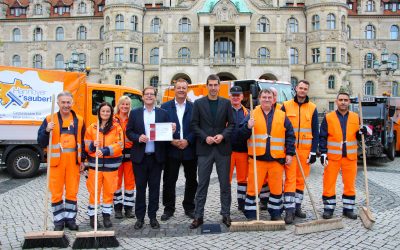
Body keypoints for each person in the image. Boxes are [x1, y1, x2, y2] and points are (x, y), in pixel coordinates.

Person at [241, 88, 295, 221]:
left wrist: (289, 153)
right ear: (260, 99)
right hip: (257, 159)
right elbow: (240, 135)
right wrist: (247, 127)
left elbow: (290, 136)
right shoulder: (251, 114)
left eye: (269, 97)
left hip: (276, 159)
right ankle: (251, 214)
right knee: (253, 188)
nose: (266, 99)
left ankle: (276, 213)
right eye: (264, 97)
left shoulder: (282, 115)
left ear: (273, 99)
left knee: (276, 189)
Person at [126, 86, 175, 229]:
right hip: (140, 158)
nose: (149, 96)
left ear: (155, 97)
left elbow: (167, 135)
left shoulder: (162, 113)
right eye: (146, 94)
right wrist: (137, 137)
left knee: (154, 189)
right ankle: (140, 218)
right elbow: (129, 132)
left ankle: (153, 217)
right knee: (140, 189)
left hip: (156, 158)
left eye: (151, 94)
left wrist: (171, 129)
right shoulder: (134, 114)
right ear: (142, 97)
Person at [190, 74, 235, 229]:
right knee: (202, 184)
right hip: (205, 149)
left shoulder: (226, 103)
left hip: (222, 149)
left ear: (219, 86)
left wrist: (222, 135)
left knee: (225, 184)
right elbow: (194, 124)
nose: (214, 88)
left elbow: (232, 124)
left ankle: (226, 214)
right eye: (211, 85)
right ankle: (198, 216)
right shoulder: (198, 103)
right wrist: (205, 137)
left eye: (216, 85)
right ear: (207, 86)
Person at [37, 91, 85, 231]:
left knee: (72, 191)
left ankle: (70, 219)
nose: (66, 105)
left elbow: (82, 141)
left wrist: (82, 160)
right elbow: (41, 141)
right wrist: (46, 130)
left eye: (68, 102)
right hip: (56, 163)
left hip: (73, 163)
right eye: (63, 102)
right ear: (58, 103)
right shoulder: (49, 119)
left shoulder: (79, 120)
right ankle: (58, 221)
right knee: (56, 192)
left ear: (72, 103)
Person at [319, 92, 366, 220]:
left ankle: (348, 209)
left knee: (350, 184)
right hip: (332, 157)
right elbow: (322, 136)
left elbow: (359, 135)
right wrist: (323, 152)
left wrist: (363, 132)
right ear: (336, 101)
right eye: (341, 100)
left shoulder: (356, 117)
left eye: (346, 100)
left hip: (350, 157)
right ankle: (328, 209)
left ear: (349, 102)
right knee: (329, 183)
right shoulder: (328, 117)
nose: (343, 102)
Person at [281, 80, 319, 224]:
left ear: (307, 91)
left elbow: (315, 130)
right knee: (290, 179)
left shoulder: (313, 108)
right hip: (290, 149)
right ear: (296, 89)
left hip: (305, 150)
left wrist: (314, 151)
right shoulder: (285, 106)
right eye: (300, 88)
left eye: (305, 89)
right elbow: (280, 128)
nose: (302, 90)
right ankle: (289, 211)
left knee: (300, 180)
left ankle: (297, 207)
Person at [160, 79, 197, 221]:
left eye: (184, 88)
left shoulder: (194, 107)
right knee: (169, 180)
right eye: (179, 88)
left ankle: (189, 207)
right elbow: (161, 128)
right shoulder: (165, 107)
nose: (181, 90)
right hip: (172, 149)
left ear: (187, 89)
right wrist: (171, 140)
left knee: (192, 180)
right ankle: (169, 208)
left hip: (189, 149)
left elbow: (197, 127)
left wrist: (188, 140)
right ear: (174, 89)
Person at [84, 102, 124, 228]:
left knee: (109, 193)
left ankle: (106, 217)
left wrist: (105, 150)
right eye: (103, 111)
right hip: (94, 167)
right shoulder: (92, 128)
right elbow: (86, 144)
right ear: (99, 112)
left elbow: (120, 145)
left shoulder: (117, 128)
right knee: (94, 192)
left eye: (108, 111)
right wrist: (91, 146)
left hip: (111, 167)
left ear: (111, 113)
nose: (105, 113)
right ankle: (93, 217)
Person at [113, 96, 136, 219]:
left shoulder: (132, 119)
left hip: (130, 154)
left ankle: (128, 208)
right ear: (119, 105)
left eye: (127, 104)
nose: (125, 106)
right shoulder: (112, 119)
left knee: (129, 183)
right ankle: (117, 208)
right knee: (116, 183)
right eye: (123, 104)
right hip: (116, 154)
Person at [228, 86, 249, 212]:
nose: (235, 97)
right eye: (233, 95)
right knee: (226, 180)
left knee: (242, 180)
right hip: (228, 152)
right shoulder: (225, 111)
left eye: (238, 95)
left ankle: (242, 203)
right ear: (230, 97)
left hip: (243, 152)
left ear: (242, 97)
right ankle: (226, 205)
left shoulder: (248, 113)